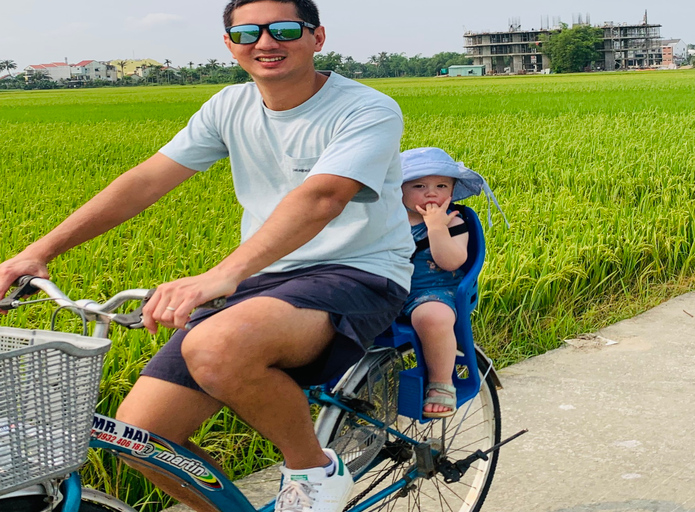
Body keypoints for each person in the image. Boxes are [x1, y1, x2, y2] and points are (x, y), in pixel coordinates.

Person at [0, 1, 413, 510]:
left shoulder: (366, 108)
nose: (265, 42)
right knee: (143, 435)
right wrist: (37, 252)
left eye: (284, 29)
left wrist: (220, 275)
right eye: (247, 32)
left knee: (216, 347)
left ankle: (314, 472)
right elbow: (146, 180)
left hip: (358, 271)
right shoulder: (228, 106)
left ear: (317, 37)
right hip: (268, 276)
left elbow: (322, 199)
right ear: (229, 44)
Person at [399, 147, 494, 418]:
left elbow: (451, 261)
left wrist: (436, 228)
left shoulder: (453, 221)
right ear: (399, 189)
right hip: (390, 288)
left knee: (432, 317)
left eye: (441, 185)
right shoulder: (388, 219)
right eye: (419, 185)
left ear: (452, 191)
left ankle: (442, 382)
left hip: (434, 291)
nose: (431, 193)